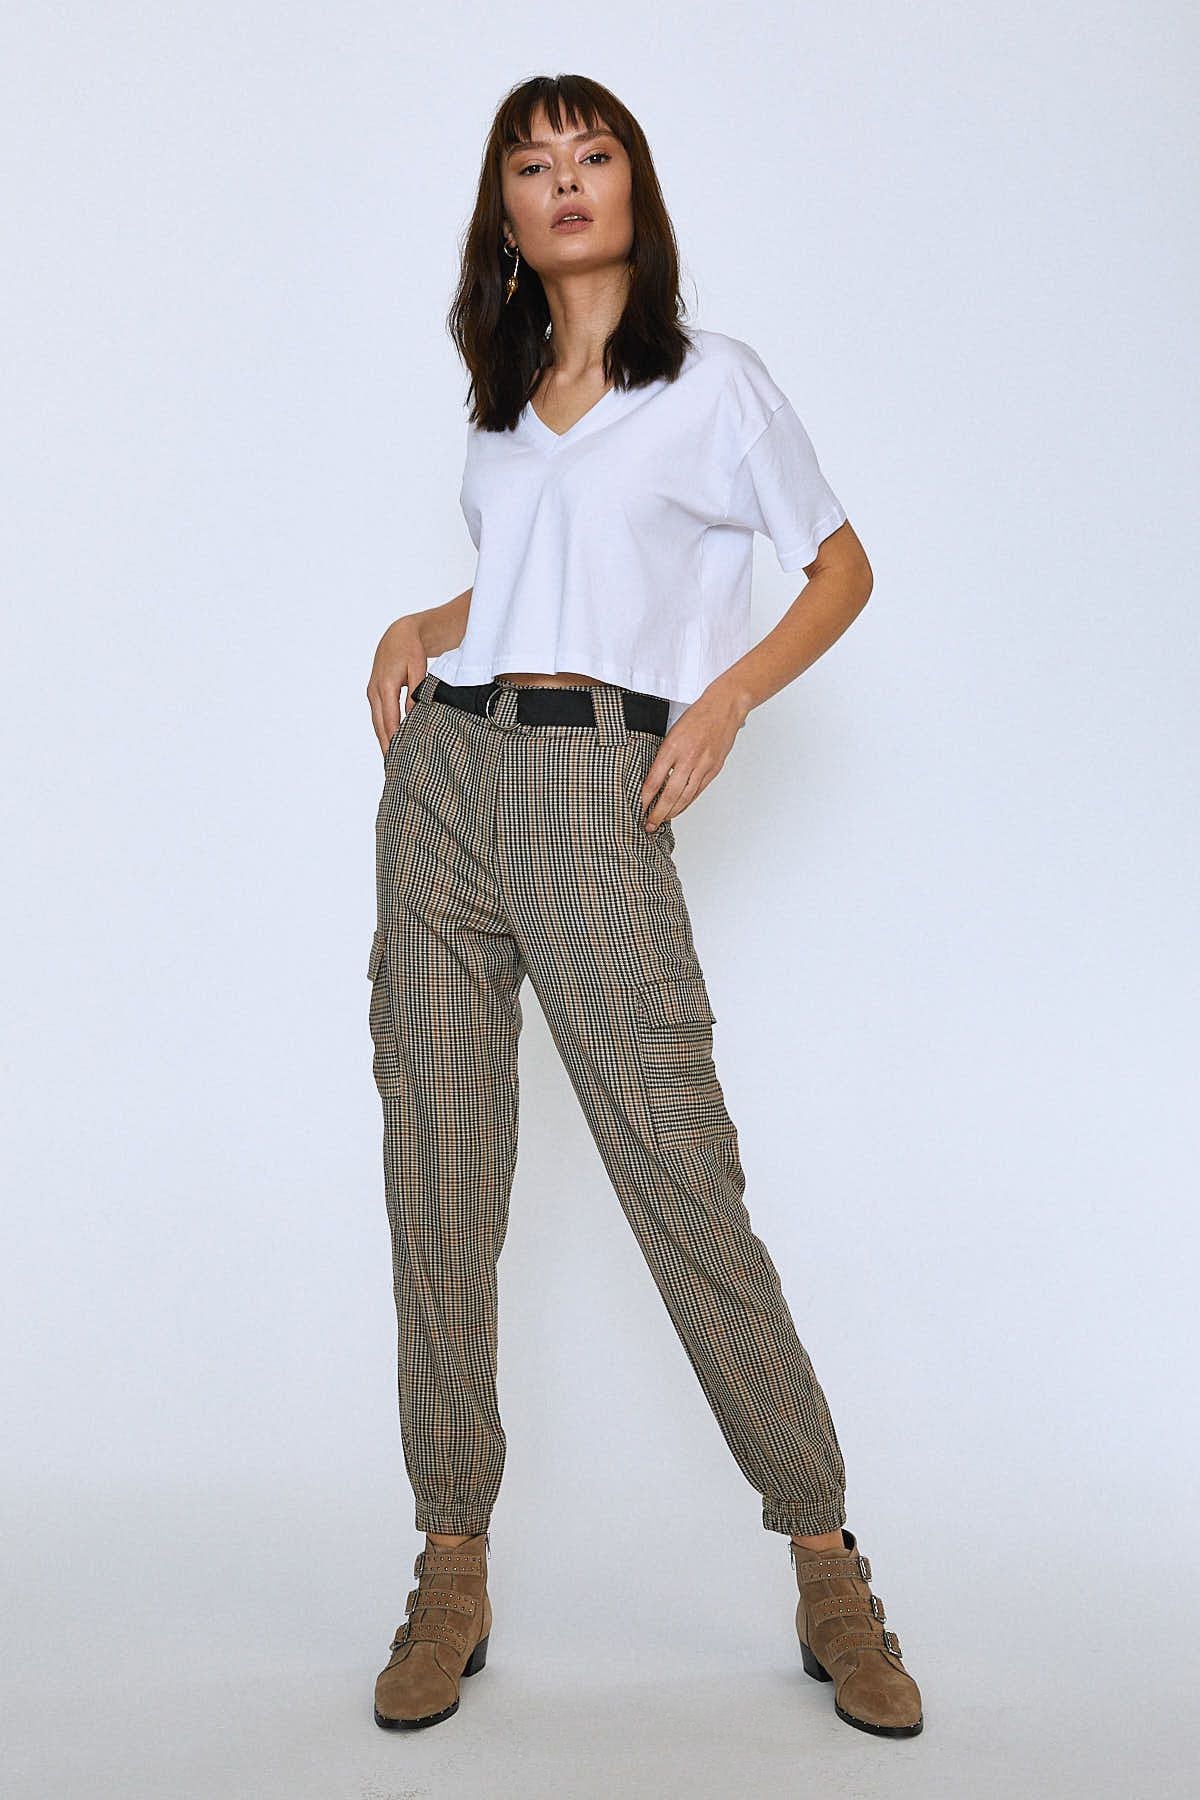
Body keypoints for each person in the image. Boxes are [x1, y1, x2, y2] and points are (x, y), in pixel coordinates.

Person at [364, 73, 924, 1740]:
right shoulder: (503, 396)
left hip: (595, 798)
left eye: (590, 155)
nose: (564, 183)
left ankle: (826, 1563)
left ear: (633, 186)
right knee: (438, 1184)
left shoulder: (713, 384)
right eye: (532, 165)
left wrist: (728, 698)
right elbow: (540, 585)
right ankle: (450, 1564)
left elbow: (840, 567)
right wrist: (423, 623)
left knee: (683, 1182)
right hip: (444, 785)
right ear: (505, 213)